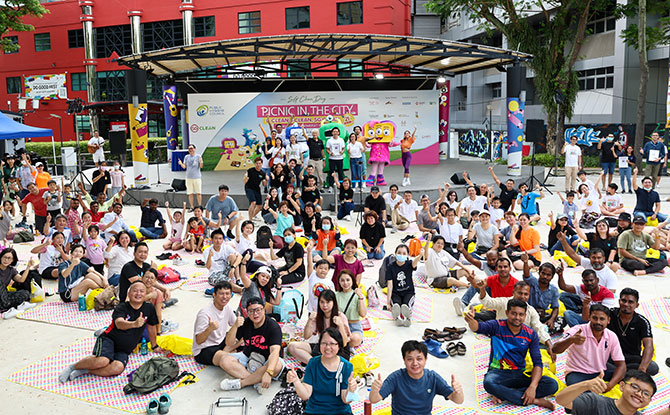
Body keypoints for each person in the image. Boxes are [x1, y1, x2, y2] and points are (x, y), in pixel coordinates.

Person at [58, 281, 163, 383]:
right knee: (102, 361)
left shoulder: (149, 308)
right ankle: (73, 367)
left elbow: (151, 327)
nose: (138, 294)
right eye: (135, 291)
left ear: (145, 294)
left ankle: (85, 370)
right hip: (109, 339)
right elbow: (119, 323)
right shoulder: (121, 307)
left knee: (117, 368)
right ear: (129, 293)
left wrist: (154, 346)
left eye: (141, 291)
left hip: (124, 350)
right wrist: (134, 324)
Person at [465, 299, 558, 410]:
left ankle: (504, 393)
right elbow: (477, 327)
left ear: (525, 315)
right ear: (507, 313)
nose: (517, 317)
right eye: (513, 313)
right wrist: (471, 320)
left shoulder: (530, 334)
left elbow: (537, 363)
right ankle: (534, 400)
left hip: (520, 373)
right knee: (489, 383)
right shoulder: (497, 326)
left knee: (552, 384)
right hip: (498, 373)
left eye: (521, 314)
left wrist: (532, 387)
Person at [369, 340, 464, 415]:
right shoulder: (396, 378)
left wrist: (458, 392)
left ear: (425, 359)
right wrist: (374, 390)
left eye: (419, 359)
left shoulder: (433, 378)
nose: (415, 363)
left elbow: (458, 400)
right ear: (404, 360)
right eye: (410, 359)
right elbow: (374, 399)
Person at [219, 296, 286, 394]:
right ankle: (256, 381)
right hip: (248, 356)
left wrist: (269, 372)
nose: (255, 314)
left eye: (258, 310)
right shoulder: (246, 323)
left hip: (268, 360)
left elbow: (275, 352)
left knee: (277, 366)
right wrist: (235, 326)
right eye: (251, 311)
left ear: (264, 310)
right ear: (247, 312)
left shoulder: (273, 326)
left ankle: (241, 383)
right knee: (224, 360)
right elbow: (228, 343)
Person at [474, 278, 555, 357]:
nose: (523, 296)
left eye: (526, 294)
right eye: (520, 293)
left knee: (545, 346)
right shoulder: (504, 303)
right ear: (513, 292)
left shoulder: (531, 311)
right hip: (502, 343)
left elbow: (538, 328)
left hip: (522, 344)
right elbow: (488, 302)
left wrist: (550, 345)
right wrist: (482, 289)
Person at [286, 328, 357, 415]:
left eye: (332, 344)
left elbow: (345, 400)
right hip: (315, 411)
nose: (327, 347)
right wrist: (296, 381)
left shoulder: (346, 366)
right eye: (324, 343)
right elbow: (305, 395)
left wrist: (350, 390)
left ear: (339, 346)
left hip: (340, 411)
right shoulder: (313, 363)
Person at [553, 304, 626, 388]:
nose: (598, 322)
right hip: (577, 373)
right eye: (595, 318)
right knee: (576, 390)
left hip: (600, 372)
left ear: (608, 320)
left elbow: (621, 365)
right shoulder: (577, 330)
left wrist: (609, 385)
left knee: (625, 380)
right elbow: (555, 349)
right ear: (589, 318)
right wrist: (571, 340)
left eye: (602, 319)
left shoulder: (611, 336)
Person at [556, 369, 663, 415]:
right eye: (635, 387)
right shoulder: (596, 402)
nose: (639, 394)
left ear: (649, 401)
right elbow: (561, 400)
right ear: (622, 386)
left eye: (646, 394)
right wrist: (585, 385)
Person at [287, 289, 352, 364]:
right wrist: (310, 320)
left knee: (333, 359)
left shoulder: (340, 317)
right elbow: (306, 336)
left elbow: (344, 343)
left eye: (328, 302)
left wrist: (340, 325)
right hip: (322, 347)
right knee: (291, 346)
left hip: (338, 350)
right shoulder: (318, 317)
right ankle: (314, 364)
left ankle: (320, 363)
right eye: (322, 302)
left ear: (334, 302)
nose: (324, 305)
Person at [607, 288, 658, 375]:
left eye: (630, 302)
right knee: (595, 361)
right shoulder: (610, 314)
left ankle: (619, 373)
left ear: (636, 305)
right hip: (610, 356)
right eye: (623, 300)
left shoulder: (642, 321)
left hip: (631, 358)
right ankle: (625, 374)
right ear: (619, 301)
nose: (626, 304)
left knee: (653, 368)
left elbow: (649, 346)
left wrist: (642, 369)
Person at [192, 281, 237, 367]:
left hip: (220, 342)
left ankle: (226, 351)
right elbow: (199, 340)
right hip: (204, 349)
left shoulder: (227, 307)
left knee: (245, 338)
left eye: (227, 294)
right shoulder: (205, 313)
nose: (224, 297)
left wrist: (238, 324)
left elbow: (234, 324)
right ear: (214, 294)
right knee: (226, 360)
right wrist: (210, 329)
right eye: (221, 294)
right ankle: (246, 379)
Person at [386, 244, 421, 327]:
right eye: (399, 253)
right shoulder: (390, 267)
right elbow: (390, 285)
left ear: (408, 255)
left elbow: (415, 262)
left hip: (408, 292)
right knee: (396, 305)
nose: (401, 255)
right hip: (396, 293)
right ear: (395, 253)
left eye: (404, 253)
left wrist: (420, 255)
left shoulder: (409, 264)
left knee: (405, 305)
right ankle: (397, 318)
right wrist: (388, 302)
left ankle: (407, 318)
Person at [521, 255, 560, 329]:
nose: (545, 276)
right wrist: (525, 262)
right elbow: (527, 275)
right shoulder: (533, 282)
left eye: (548, 275)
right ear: (539, 273)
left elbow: (555, 307)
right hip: (528, 315)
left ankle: (540, 330)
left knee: (560, 320)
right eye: (543, 273)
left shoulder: (553, 290)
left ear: (552, 276)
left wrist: (551, 320)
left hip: (542, 317)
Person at [335, 270, 367, 348]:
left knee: (355, 339)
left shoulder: (358, 295)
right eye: (342, 280)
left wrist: (360, 297)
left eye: (348, 280)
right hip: (340, 326)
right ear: (339, 282)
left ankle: (343, 346)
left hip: (355, 326)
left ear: (352, 280)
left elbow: (363, 314)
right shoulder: (336, 295)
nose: (345, 283)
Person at [0, 249, 36, 314]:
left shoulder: (11, 270)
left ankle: (7, 306)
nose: (6, 260)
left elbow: (21, 279)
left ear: (13, 260)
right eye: (5, 257)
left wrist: (28, 267)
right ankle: (8, 307)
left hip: (4, 295)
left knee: (25, 293)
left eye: (9, 258)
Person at [178, 144, 203, 209]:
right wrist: (180, 164)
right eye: (189, 148)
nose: (190, 150)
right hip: (188, 177)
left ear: (195, 149)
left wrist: (201, 162)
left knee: (198, 193)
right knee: (190, 193)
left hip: (197, 177)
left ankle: (199, 207)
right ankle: (191, 207)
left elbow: (201, 166)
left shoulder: (198, 156)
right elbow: (184, 167)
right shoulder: (186, 157)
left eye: (192, 148)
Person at [244, 158, 267, 222]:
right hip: (249, 187)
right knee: (253, 202)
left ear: (262, 164)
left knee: (259, 206)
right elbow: (244, 181)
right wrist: (245, 177)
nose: (258, 165)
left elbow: (264, 184)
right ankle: (250, 220)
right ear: (254, 164)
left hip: (257, 188)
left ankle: (253, 216)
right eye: (257, 163)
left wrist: (266, 179)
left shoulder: (263, 173)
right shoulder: (250, 170)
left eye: (260, 163)